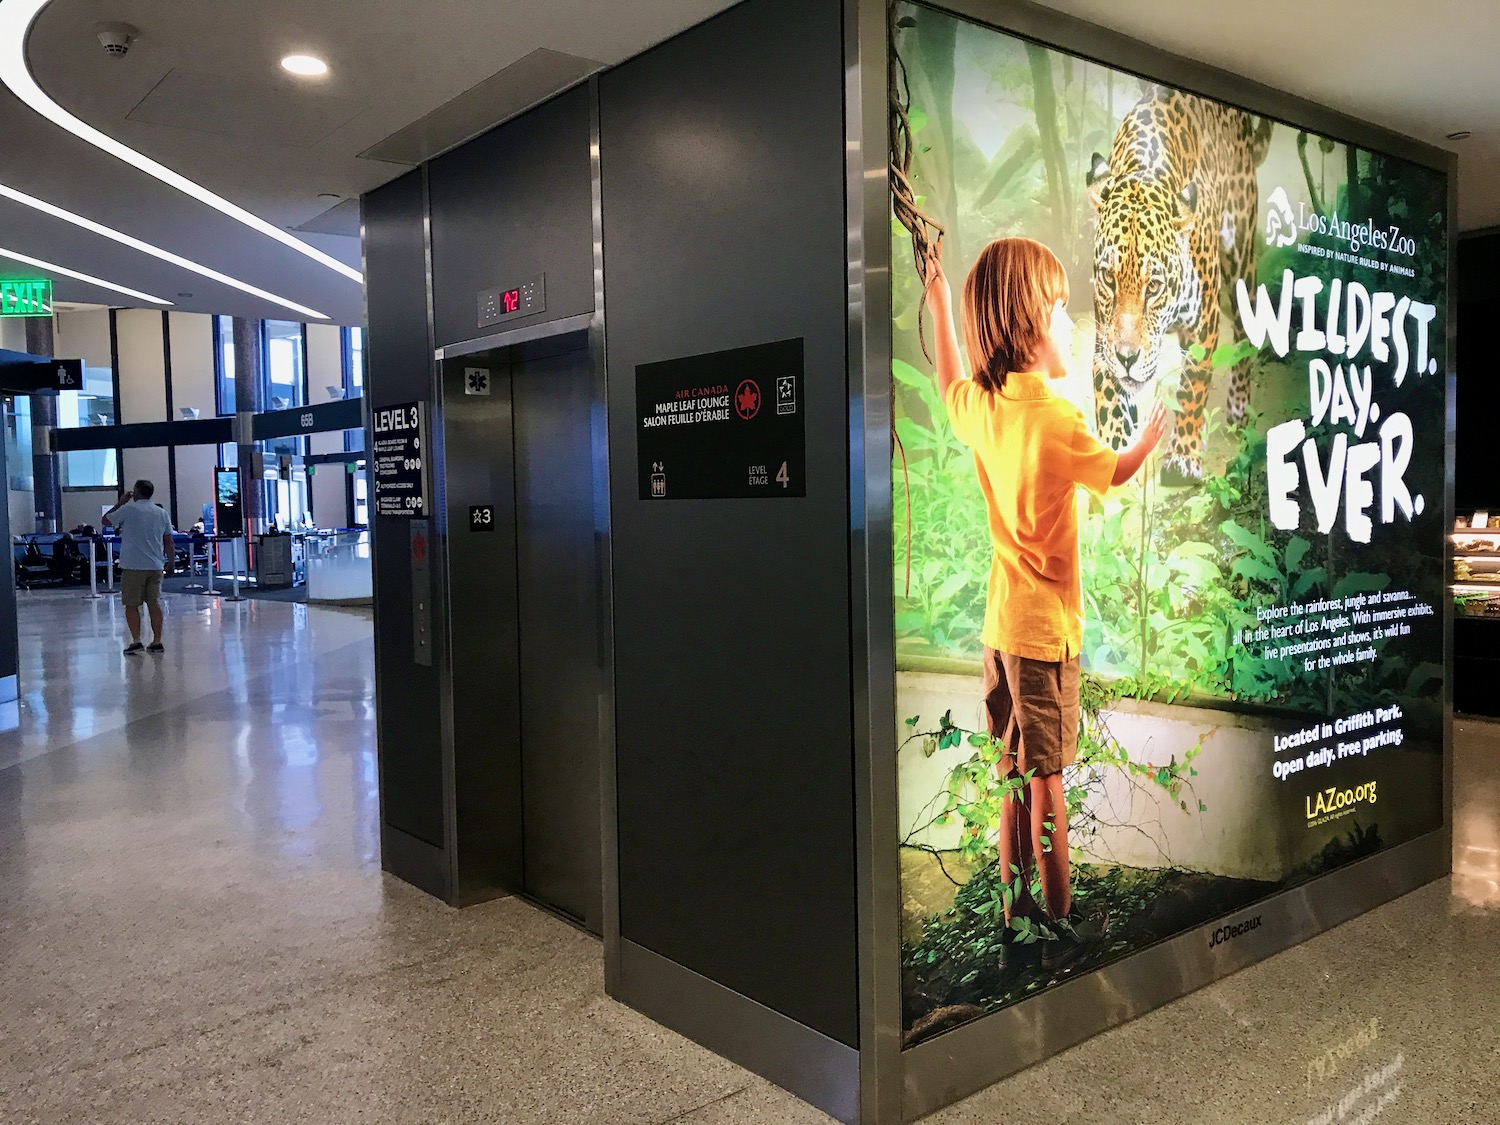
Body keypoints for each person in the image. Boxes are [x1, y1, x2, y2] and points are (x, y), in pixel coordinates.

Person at [924, 238, 1166, 954]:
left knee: (1010, 773)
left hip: (1000, 634)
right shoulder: (1058, 422)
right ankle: (1061, 920)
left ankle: (1013, 910)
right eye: (1060, 309)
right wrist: (1147, 441)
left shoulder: (987, 408)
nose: (1070, 323)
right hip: (1044, 639)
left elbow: (946, 380)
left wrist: (937, 293)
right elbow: (1114, 473)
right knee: (1050, 780)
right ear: (1029, 327)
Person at [102, 480, 175, 655]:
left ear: (135, 492)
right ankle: (157, 641)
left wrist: (120, 502)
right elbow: (168, 541)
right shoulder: (161, 513)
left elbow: (105, 520)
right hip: (155, 565)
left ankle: (136, 640)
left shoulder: (128, 509)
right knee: (154, 603)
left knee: (131, 604)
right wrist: (171, 562)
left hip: (133, 566)